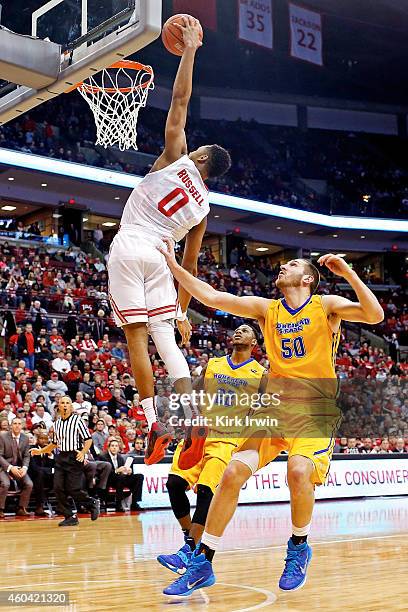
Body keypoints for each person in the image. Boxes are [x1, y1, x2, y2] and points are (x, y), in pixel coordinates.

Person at [159, 244, 384, 596]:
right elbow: (214, 296)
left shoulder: (325, 306)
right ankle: (203, 562)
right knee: (232, 473)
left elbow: (375, 316)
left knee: (297, 471)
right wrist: (172, 264)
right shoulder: (269, 310)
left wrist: (349, 274)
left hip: (314, 408)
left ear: (308, 278)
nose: (282, 266)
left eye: (291, 264)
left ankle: (298, 547)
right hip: (275, 408)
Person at [107, 16, 231, 466]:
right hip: (165, 258)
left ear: (199, 156)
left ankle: (155, 423)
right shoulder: (203, 211)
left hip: (131, 245)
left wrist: (191, 51)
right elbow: (192, 266)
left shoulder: (175, 157)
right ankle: (193, 419)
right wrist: (181, 310)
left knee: (135, 340)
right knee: (167, 340)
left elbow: (180, 98)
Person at [157, 325, 266, 575]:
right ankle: (190, 541)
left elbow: (263, 410)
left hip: (227, 440)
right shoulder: (214, 365)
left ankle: (188, 550)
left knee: (207, 491)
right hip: (200, 435)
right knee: (174, 483)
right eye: (236, 329)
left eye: (245, 330)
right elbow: (192, 394)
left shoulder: (260, 374)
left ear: (254, 343)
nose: (238, 331)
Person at [30, 396, 100, 527]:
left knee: (73, 489)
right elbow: (55, 444)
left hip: (74, 456)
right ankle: (70, 516)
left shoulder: (77, 420)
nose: (65, 405)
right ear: (59, 406)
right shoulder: (56, 423)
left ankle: (92, 502)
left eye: (68, 403)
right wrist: (40, 451)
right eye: (63, 403)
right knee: (57, 488)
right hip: (61, 457)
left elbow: (88, 439)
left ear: (71, 406)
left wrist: (83, 452)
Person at [0, 417, 33, 518]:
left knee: (29, 484)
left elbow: (27, 456)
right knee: (5, 484)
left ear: (22, 425)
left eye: (19, 423)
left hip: (18, 467)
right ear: (11, 425)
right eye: (15, 423)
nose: (17, 425)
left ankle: (21, 508)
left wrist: (24, 468)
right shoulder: (3, 437)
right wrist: (10, 468)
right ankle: (0, 509)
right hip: (3, 467)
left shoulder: (25, 438)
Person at [99, 439, 144, 512]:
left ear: (118, 448)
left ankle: (135, 503)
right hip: (109, 479)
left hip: (120, 478)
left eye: (116, 446)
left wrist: (128, 471)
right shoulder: (103, 457)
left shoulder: (120, 458)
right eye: (112, 446)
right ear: (109, 448)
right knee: (120, 477)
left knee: (139, 477)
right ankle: (118, 504)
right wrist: (117, 471)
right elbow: (104, 473)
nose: (114, 448)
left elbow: (123, 471)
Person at [28, 430, 55, 516]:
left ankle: (62, 506)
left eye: (46, 439)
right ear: (37, 439)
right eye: (41, 438)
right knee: (39, 475)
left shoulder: (50, 450)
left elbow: (55, 466)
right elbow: (35, 468)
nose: (44, 441)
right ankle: (39, 506)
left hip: (47, 477)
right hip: (33, 476)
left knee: (60, 475)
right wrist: (50, 471)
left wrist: (50, 455)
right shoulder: (32, 449)